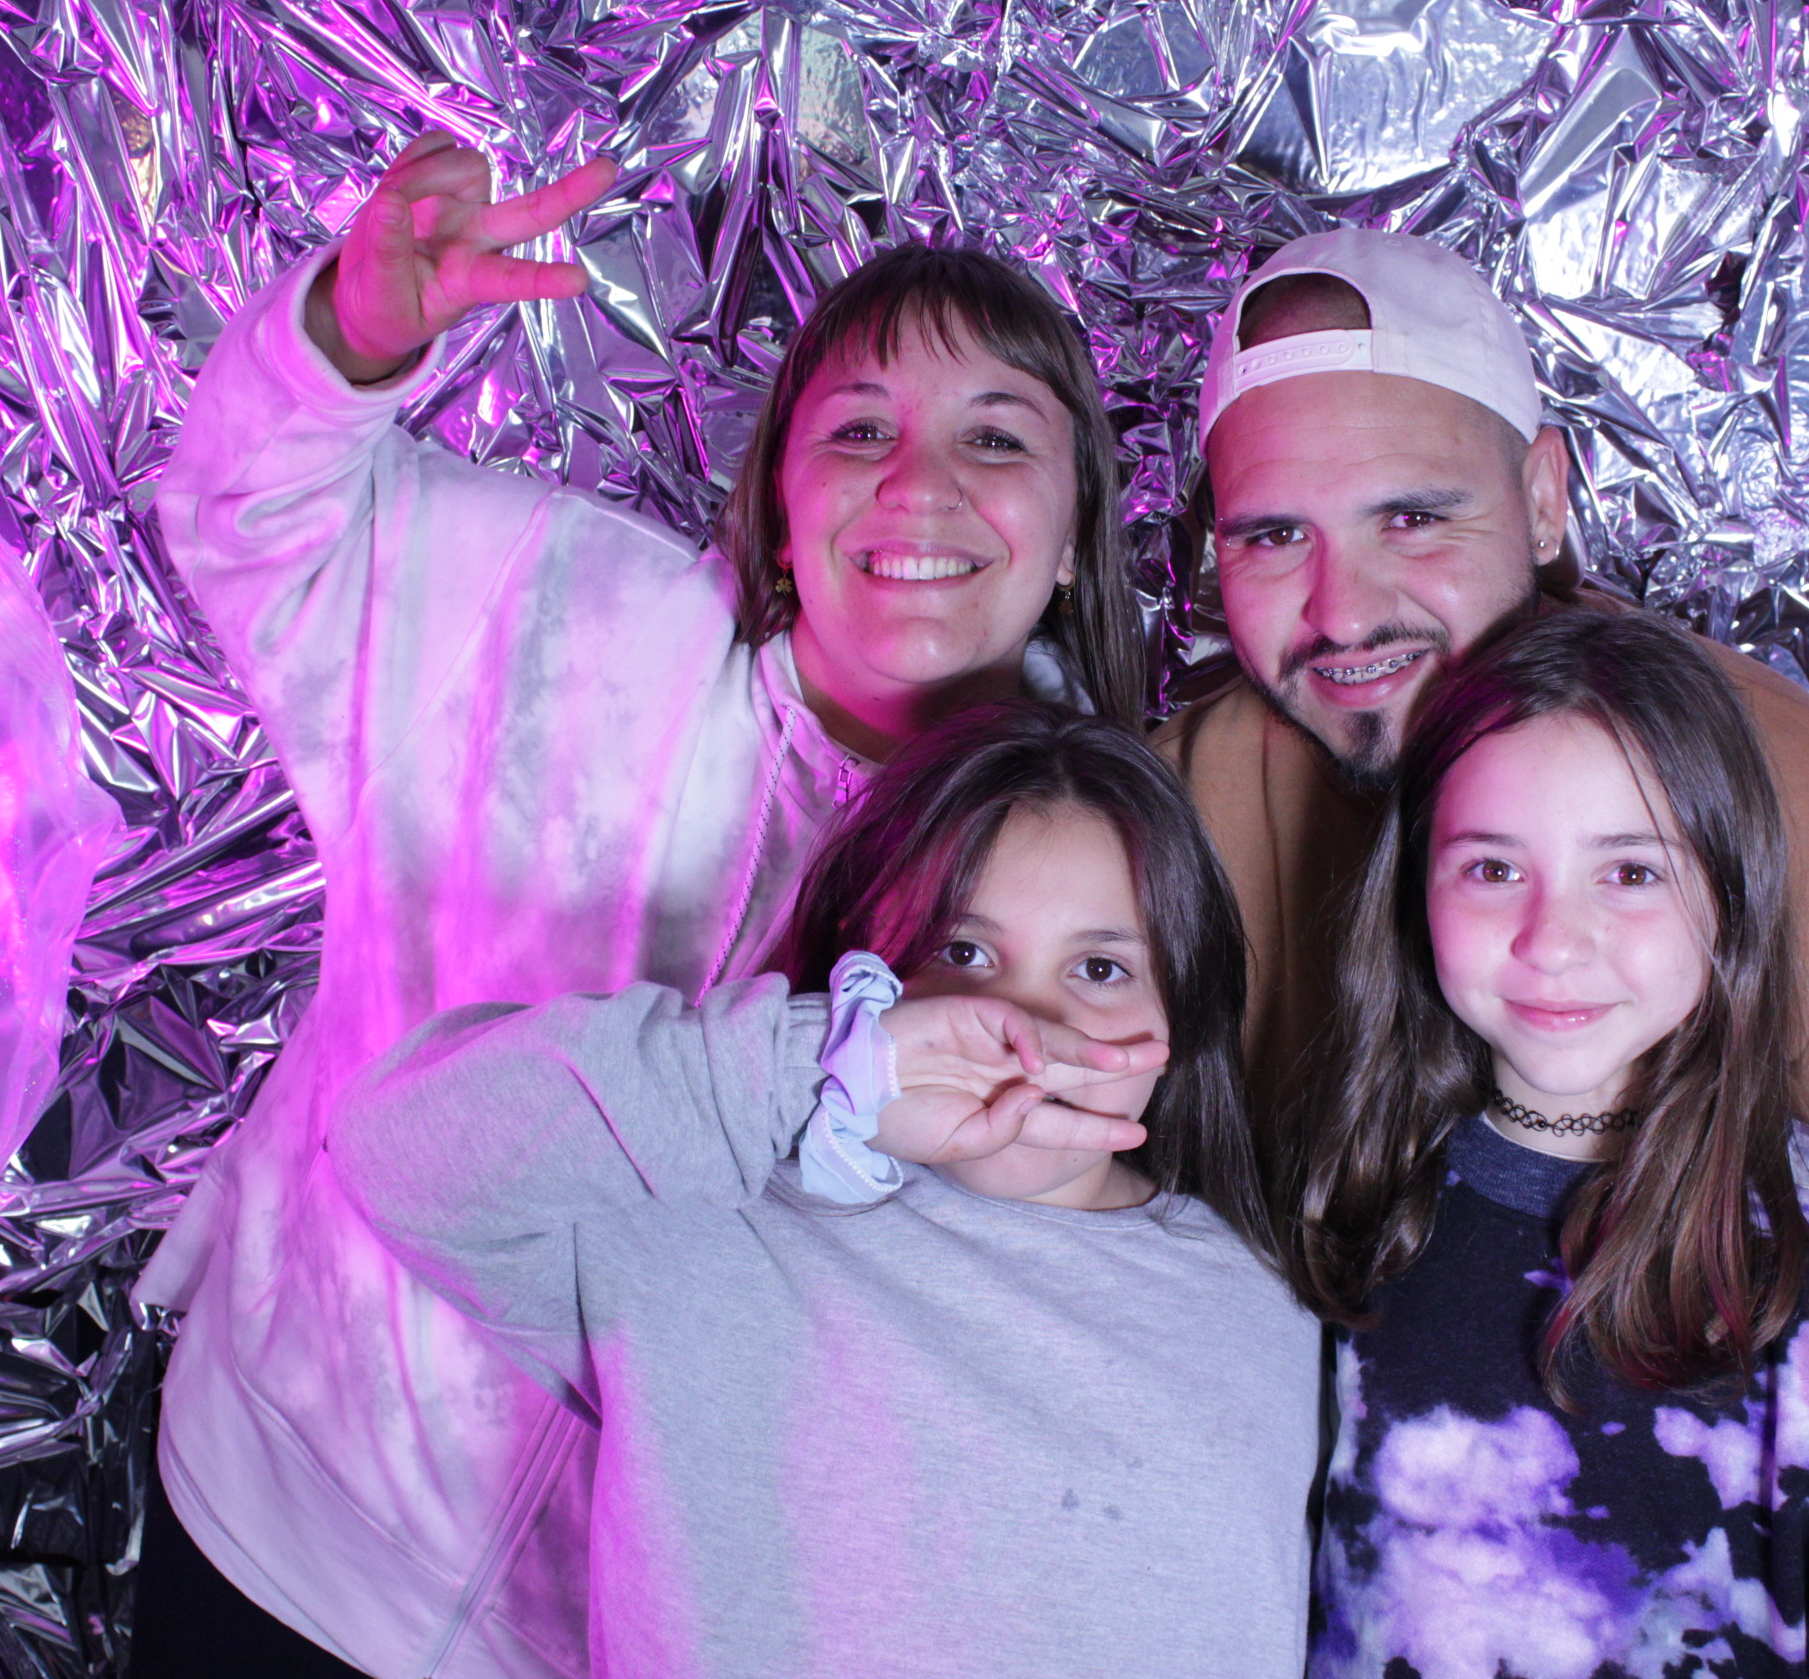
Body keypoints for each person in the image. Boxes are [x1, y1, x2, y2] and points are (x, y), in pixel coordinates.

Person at [134, 131, 1149, 1678]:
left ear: (1076, 533)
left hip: (616, 1634)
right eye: (859, 428)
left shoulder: (1103, 896)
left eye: (996, 438)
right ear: (781, 499)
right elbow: (249, 515)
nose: (919, 484)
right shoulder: (551, 610)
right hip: (280, 1527)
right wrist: (345, 333)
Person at [1150, 225, 1809, 1414]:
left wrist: (1679, 1480)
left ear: (1543, 499)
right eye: (1275, 536)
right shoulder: (1174, 799)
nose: (1343, 613)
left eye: (1414, 517)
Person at [327, 702, 1318, 1679]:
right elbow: (396, 1153)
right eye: (963, 953)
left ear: (1182, 1011)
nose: (1025, 1027)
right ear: (867, 970)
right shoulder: (698, 1216)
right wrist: (827, 1067)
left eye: (1100, 968)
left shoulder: (1266, 1307)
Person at [1281, 607, 1809, 1678]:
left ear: (1729, 891)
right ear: (1415, 885)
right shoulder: (1352, 1199)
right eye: (1491, 869)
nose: (1553, 941)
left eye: (1630, 872)